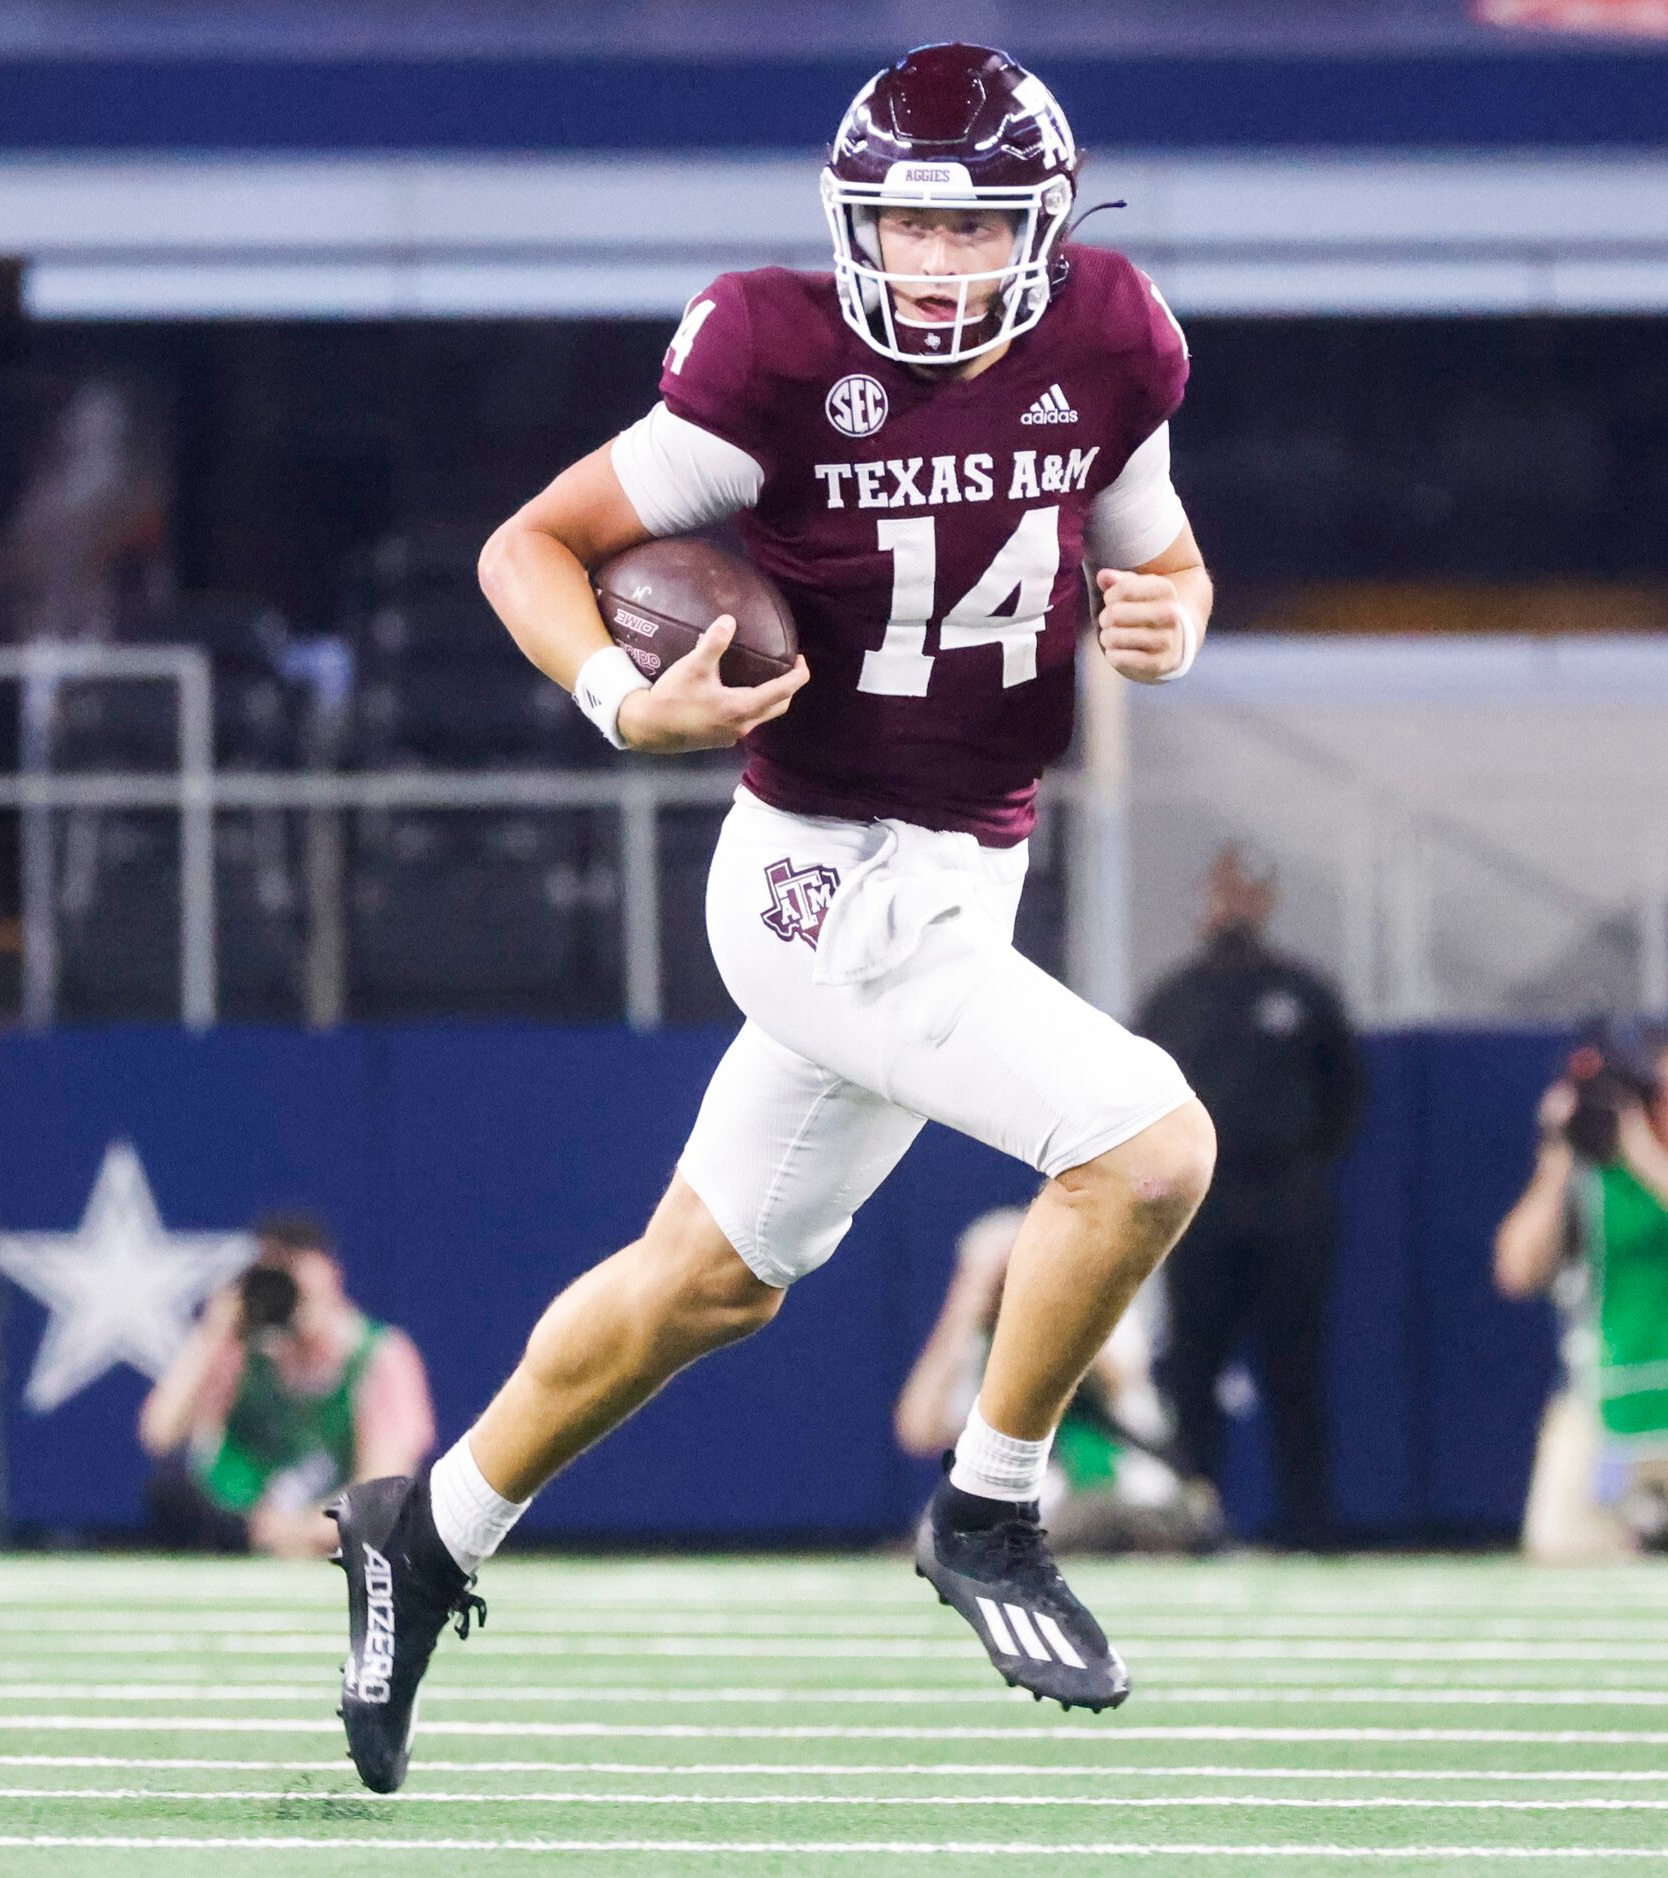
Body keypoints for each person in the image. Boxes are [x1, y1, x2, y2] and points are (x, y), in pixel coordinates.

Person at [323, 43, 1219, 1791]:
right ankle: (989, 1507)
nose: (932, 268)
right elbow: (531, 546)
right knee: (1149, 1148)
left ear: (1045, 233)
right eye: (899, 230)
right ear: (846, 223)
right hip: (817, 875)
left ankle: (423, 1527)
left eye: (972, 238)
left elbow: (1163, 557)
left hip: (968, 866)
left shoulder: (1114, 337)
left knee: (708, 1282)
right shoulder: (768, 350)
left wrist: (1170, 622)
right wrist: (607, 690)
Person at [1137, 843, 1366, 1548]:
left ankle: (1308, 1524)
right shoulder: (1172, 998)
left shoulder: (1301, 993)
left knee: (1294, 1366)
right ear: (1208, 895)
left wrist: (1299, 1162)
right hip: (1199, 1209)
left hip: (1287, 1204)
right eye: (1225, 888)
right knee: (1193, 1368)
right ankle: (1195, 1521)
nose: (1235, 902)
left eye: (1249, 890)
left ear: (1265, 900)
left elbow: (1345, 1096)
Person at [1492, 1023, 1668, 1565]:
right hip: (1610, 1405)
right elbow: (1517, 1269)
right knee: (1563, 1552)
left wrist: (1646, 1158)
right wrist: (1559, 1156)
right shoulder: (1591, 1181)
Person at [895, 1207, 1218, 1554]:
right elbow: (918, 1431)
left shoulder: (1100, 1313)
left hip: (1120, 1482)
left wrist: (1049, 1291)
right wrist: (964, 1309)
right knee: (965, 1523)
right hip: (1037, 1496)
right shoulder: (976, 1346)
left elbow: (1118, 1382)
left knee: (1110, 1514)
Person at [138, 1211, 434, 1559]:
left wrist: (304, 1530)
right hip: (242, 1528)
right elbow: (160, 1434)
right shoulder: (241, 1350)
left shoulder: (380, 1355)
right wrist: (213, 1332)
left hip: (339, 1534)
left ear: (332, 1274)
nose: (291, 1289)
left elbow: (386, 1482)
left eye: (299, 1270)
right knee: (169, 1492)